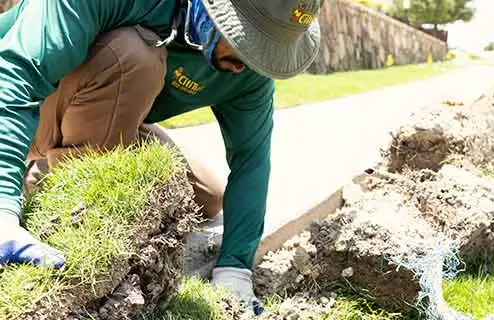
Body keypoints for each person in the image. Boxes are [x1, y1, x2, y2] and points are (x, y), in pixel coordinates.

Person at [0, 0, 324, 315]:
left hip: (89, 109)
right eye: (244, 41)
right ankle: (66, 200)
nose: (246, 63)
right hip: (21, 97)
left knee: (204, 196)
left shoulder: (247, 73)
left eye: (262, 50)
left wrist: (235, 268)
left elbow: (252, 160)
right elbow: (16, 72)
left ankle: (48, 169)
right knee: (132, 54)